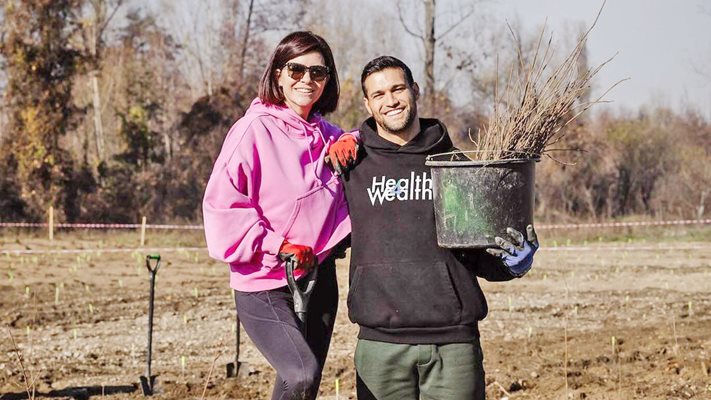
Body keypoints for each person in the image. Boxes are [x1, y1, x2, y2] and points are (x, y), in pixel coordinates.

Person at [342, 56, 539, 400]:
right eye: (379, 94)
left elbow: (480, 254)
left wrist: (511, 263)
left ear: (414, 90)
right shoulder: (352, 167)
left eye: (398, 88)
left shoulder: (455, 167)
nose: (390, 101)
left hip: (453, 345)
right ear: (367, 103)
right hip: (380, 346)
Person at [202, 31, 358, 400]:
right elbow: (221, 205)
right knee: (300, 372)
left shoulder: (326, 135)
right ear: (277, 74)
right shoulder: (253, 131)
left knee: (305, 385)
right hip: (265, 282)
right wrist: (278, 245)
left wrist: (354, 138)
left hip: (318, 278)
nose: (307, 80)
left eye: (318, 73)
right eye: (296, 69)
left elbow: (364, 141)